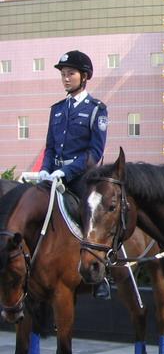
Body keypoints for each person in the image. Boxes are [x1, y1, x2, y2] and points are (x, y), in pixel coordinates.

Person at [40, 51, 110, 299]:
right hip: (54, 175)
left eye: (71, 73)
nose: (66, 78)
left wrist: (66, 171)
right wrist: (44, 170)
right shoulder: (57, 109)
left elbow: (94, 153)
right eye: (63, 74)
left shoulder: (96, 109)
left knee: (93, 216)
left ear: (85, 77)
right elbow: (50, 147)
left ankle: (102, 274)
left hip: (81, 177)